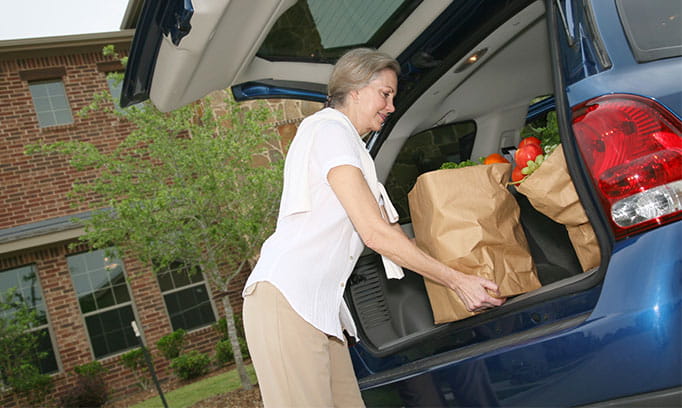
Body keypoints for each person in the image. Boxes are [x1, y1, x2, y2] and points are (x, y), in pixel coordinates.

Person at [242, 48, 505, 408]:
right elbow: (374, 233)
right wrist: (457, 282)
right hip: (287, 302)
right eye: (385, 94)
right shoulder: (328, 130)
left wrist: (464, 272)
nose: (391, 106)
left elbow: (391, 231)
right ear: (354, 89)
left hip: (321, 311)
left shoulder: (354, 148)